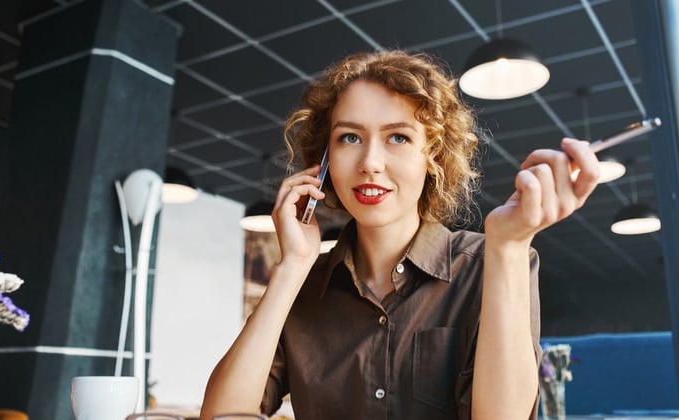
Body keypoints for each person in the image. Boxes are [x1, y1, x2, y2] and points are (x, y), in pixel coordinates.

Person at [200, 50, 600, 420]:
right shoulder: (305, 287)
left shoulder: (491, 264)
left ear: (434, 158)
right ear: (323, 164)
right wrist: (291, 266)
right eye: (349, 138)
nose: (371, 163)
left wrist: (510, 247)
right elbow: (221, 416)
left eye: (398, 137)